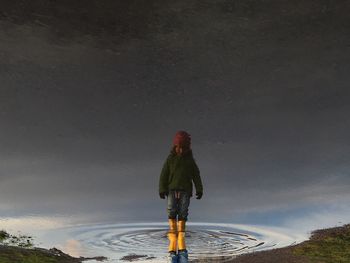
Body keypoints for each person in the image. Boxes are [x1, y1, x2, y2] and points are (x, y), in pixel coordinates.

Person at [159, 130, 203, 262]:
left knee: (183, 211)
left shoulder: (190, 160)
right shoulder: (170, 158)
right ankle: (173, 233)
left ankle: (181, 234)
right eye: (179, 147)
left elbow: (196, 175)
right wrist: (162, 189)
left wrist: (199, 189)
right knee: (171, 210)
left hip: (185, 190)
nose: (181, 150)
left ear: (187, 147)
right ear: (175, 146)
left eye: (183, 148)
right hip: (172, 189)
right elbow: (164, 174)